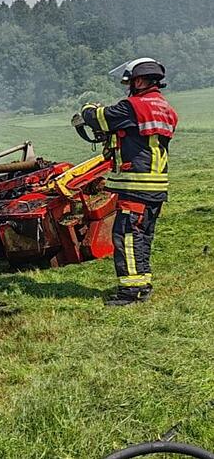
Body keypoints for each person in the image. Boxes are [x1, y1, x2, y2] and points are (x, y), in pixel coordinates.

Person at [76, 58, 178, 306]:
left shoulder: (133, 107)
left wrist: (88, 107)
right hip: (155, 184)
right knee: (142, 237)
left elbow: (98, 118)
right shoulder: (165, 108)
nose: (129, 87)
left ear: (140, 80)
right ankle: (142, 284)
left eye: (131, 81)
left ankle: (131, 293)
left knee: (127, 236)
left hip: (136, 185)